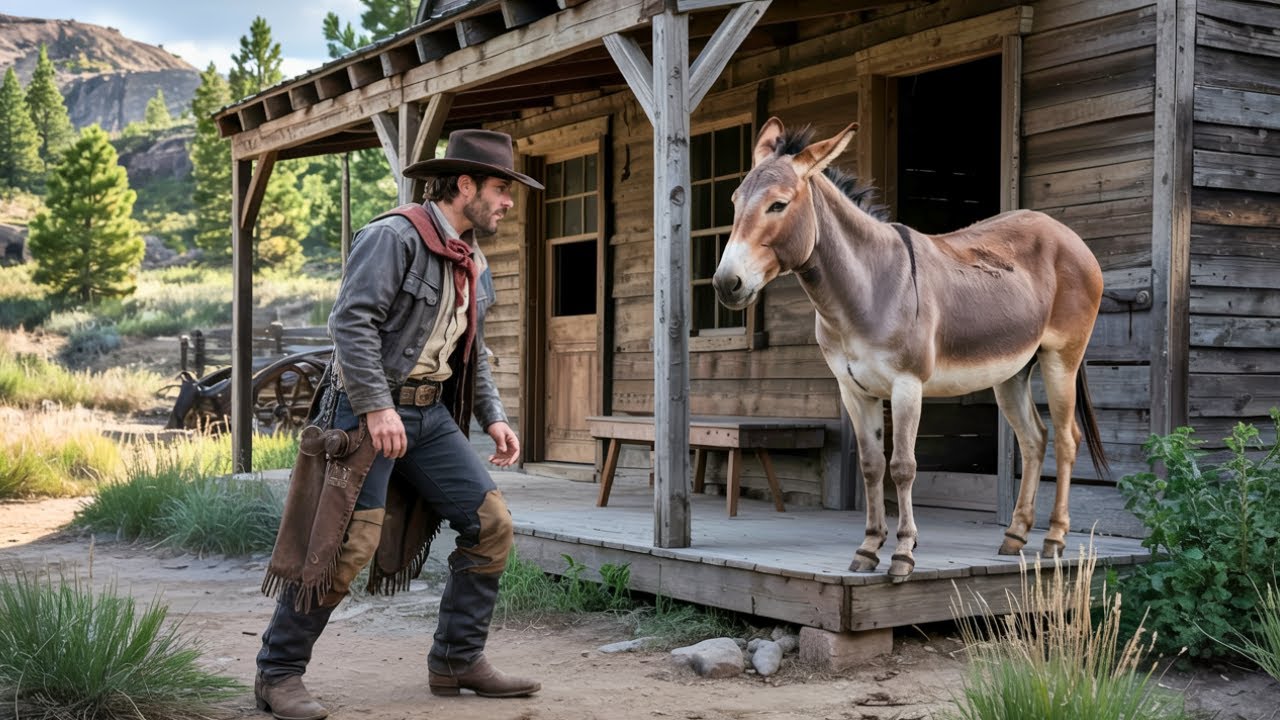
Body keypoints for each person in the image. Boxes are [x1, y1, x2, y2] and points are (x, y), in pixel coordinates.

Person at [254, 128, 545, 720]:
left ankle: (457, 660)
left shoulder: (473, 260)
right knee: (343, 545)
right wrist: (376, 406)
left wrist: (493, 416)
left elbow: (471, 351)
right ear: (465, 185)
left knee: (490, 524)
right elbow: (351, 322)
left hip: (429, 414)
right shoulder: (393, 236)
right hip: (365, 412)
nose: (508, 202)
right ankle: (277, 673)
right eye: (500, 189)